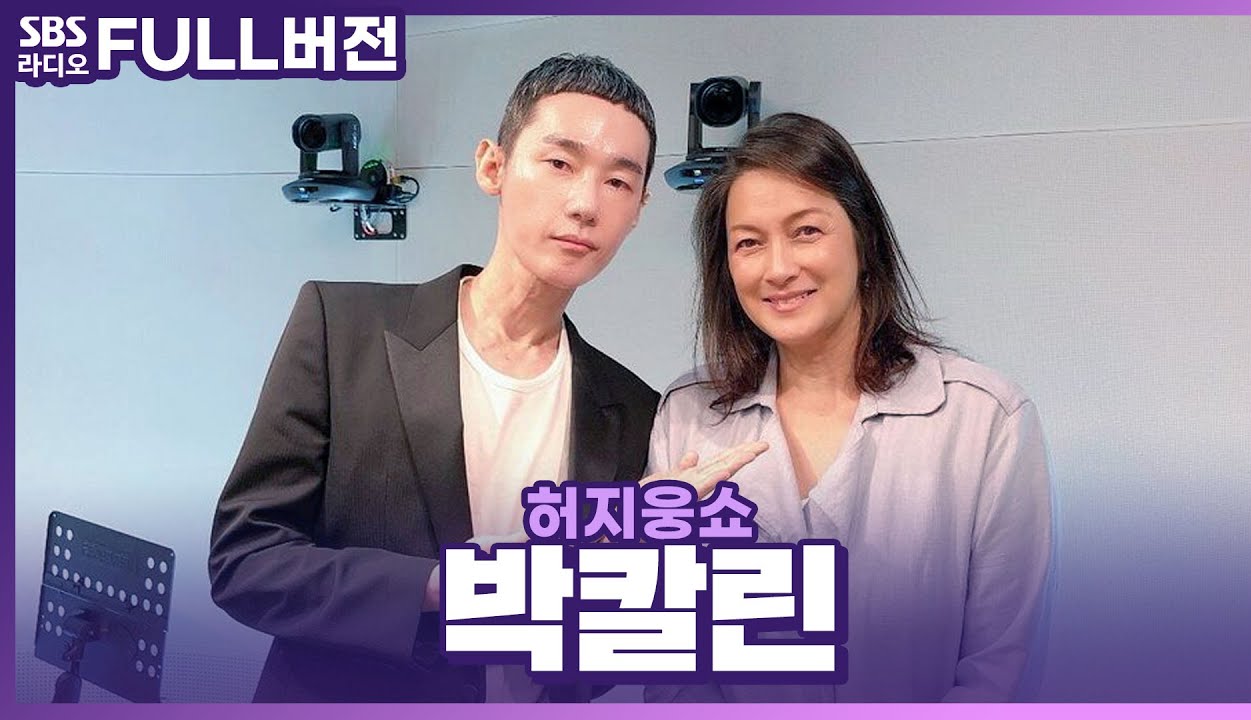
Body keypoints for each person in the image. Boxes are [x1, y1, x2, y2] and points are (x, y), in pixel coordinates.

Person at [209, 54, 765, 703]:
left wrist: (629, 566)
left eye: (618, 182)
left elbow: (584, 669)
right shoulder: (343, 327)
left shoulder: (633, 409)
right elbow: (246, 562)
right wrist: (449, 585)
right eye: (560, 163)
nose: (586, 204)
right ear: (492, 166)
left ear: (639, 208)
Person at [645, 113, 1052, 702]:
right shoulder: (689, 415)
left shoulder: (985, 420)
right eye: (749, 243)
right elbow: (673, 670)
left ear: (864, 239)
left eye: (806, 231)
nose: (779, 268)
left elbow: (1001, 668)